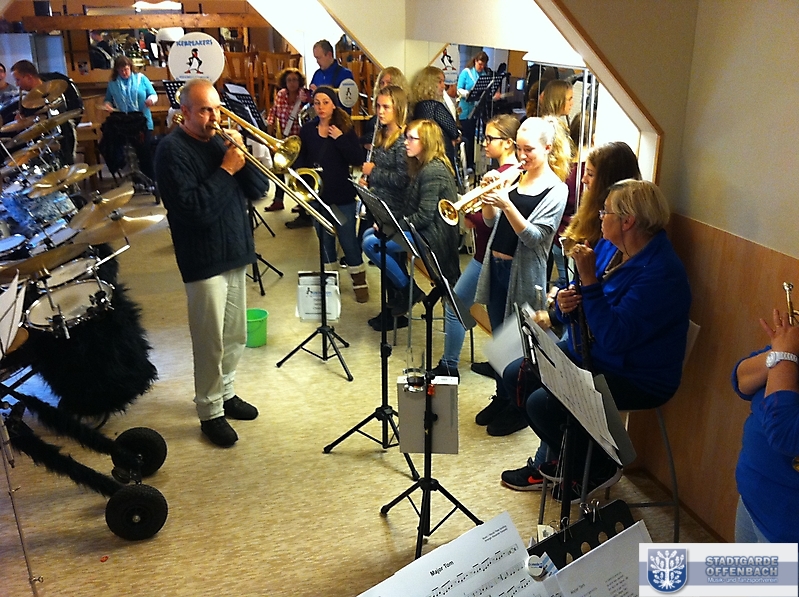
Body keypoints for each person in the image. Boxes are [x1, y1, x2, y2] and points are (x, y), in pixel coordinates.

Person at [500, 180, 691, 502]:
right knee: (516, 376)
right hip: (590, 352)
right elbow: (581, 301)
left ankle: (598, 466)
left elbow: (614, 337)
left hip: (635, 374)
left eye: (606, 212)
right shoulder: (609, 247)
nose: (600, 217)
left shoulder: (662, 273)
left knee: (542, 404)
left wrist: (588, 281)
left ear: (627, 221)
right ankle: (571, 459)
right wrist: (563, 307)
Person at [153, 78, 268, 447]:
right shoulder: (171, 152)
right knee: (210, 342)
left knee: (235, 335)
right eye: (205, 110)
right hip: (202, 259)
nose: (214, 117)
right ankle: (209, 410)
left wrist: (241, 154)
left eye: (217, 108)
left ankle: (226, 392)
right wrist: (226, 170)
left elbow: (260, 190)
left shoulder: (219, 141)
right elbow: (193, 210)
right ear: (184, 112)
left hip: (235, 251)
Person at [473, 116, 571, 437]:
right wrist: (489, 198)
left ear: (547, 148)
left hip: (525, 275)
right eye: (518, 147)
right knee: (500, 338)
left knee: (518, 345)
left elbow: (534, 237)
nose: (522, 154)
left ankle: (518, 408)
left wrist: (506, 203)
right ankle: (502, 397)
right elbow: (491, 223)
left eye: (529, 149)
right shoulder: (516, 176)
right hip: (497, 267)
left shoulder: (556, 190)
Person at [431, 114, 520, 378]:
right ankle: (497, 366)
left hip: (488, 257)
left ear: (508, 143)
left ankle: (449, 366)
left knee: (455, 306)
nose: (484, 143)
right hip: (485, 255)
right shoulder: (499, 172)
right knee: (493, 314)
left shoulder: (508, 175)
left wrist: (469, 213)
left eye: (490, 138)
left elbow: (491, 223)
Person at [364, 119, 460, 318]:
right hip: (420, 231)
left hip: (432, 237)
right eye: (406, 137)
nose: (406, 143)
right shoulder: (419, 165)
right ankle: (407, 289)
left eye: (411, 138)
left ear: (426, 142)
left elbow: (424, 217)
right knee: (368, 235)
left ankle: (408, 289)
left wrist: (392, 228)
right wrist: (386, 223)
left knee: (371, 244)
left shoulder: (434, 170)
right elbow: (409, 208)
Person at [296, 86, 368, 303]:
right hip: (317, 196)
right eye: (317, 103)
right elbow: (301, 159)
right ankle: (330, 283)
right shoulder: (308, 131)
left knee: (348, 240)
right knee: (324, 240)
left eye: (325, 102)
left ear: (334, 105)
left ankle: (359, 281)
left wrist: (340, 139)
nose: (321, 107)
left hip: (341, 196)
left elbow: (357, 158)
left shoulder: (344, 128)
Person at [732, 309, 799, 543]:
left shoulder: (789, 352)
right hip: (753, 496)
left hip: (787, 523)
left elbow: (784, 433)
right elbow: (741, 379)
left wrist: (785, 356)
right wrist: (782, 352)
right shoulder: (791, 348)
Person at [286, 38, 355, 228]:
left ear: (329, 55)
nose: (317, 62)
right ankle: (309, 205)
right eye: (315, 58)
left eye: (319, 58)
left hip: (337, 126)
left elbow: (347, 101)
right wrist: (307, 97)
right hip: (317, 124)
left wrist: (324, 95)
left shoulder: (344, 74)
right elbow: (313, 100)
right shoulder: (317, 73)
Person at [359, 85, 411, 330]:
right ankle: (391, 309)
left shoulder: (402, 141)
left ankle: (398, 309)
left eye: (386, 107)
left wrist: (374, 172)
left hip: (395, 210)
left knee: (392, 260)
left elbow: (402, 179)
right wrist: (367, 181)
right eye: (378, 106)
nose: (380, 111)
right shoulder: (380, 135)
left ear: (397, 108)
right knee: (382, 261)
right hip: (379, 206)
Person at [11, 60, 83, 165]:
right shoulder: (26, 100)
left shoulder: (53, 86)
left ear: (29, 77)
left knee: (66, 165)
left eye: (18, 80)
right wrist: (21, 122)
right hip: (42, 142)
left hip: (62, 134)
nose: (17, 84)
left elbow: (72, 108)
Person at [102, 55, 158, 180]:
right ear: (117, 70)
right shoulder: (113, 83)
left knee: (144, 152)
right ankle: (126, 175)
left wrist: (151, 100)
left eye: (126, 69)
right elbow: (108, 99)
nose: (124, 72)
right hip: (123, 122)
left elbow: (153, 94)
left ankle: (150, 180)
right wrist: (108, 105)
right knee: (111, 146)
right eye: (121, 70)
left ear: (131, 68)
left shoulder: (141, 78)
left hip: (141, 121)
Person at [263, 67, 309, 212]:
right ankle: (278, 200)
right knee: (278, 168)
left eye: (295, 80)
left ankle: (302, 203)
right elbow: (274, 112)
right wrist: (269, 129)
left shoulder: (303, 96)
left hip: (300, 141)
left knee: (299, 172)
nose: (292, 83)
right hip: (284, 138)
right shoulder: (281, 94)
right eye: (289, 80)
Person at [411, 66, 460, 171]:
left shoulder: (417, 107)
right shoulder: (435, 107)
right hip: (441, 155)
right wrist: (458, 136)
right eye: (440, 82)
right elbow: (453, 131)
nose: (443, 86)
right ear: (430, 84)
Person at [457, 51, 498, 171]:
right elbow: (459, 89)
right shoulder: (466, 72)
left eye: (483, 65)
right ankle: (467, 164)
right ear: (475, 61)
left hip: (477, 110)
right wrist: (468, 93)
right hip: (465, 110)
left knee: (474, 137)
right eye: (479, 64)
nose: (481, 67)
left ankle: (473, 163)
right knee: (467, 137)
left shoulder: (484, 75)